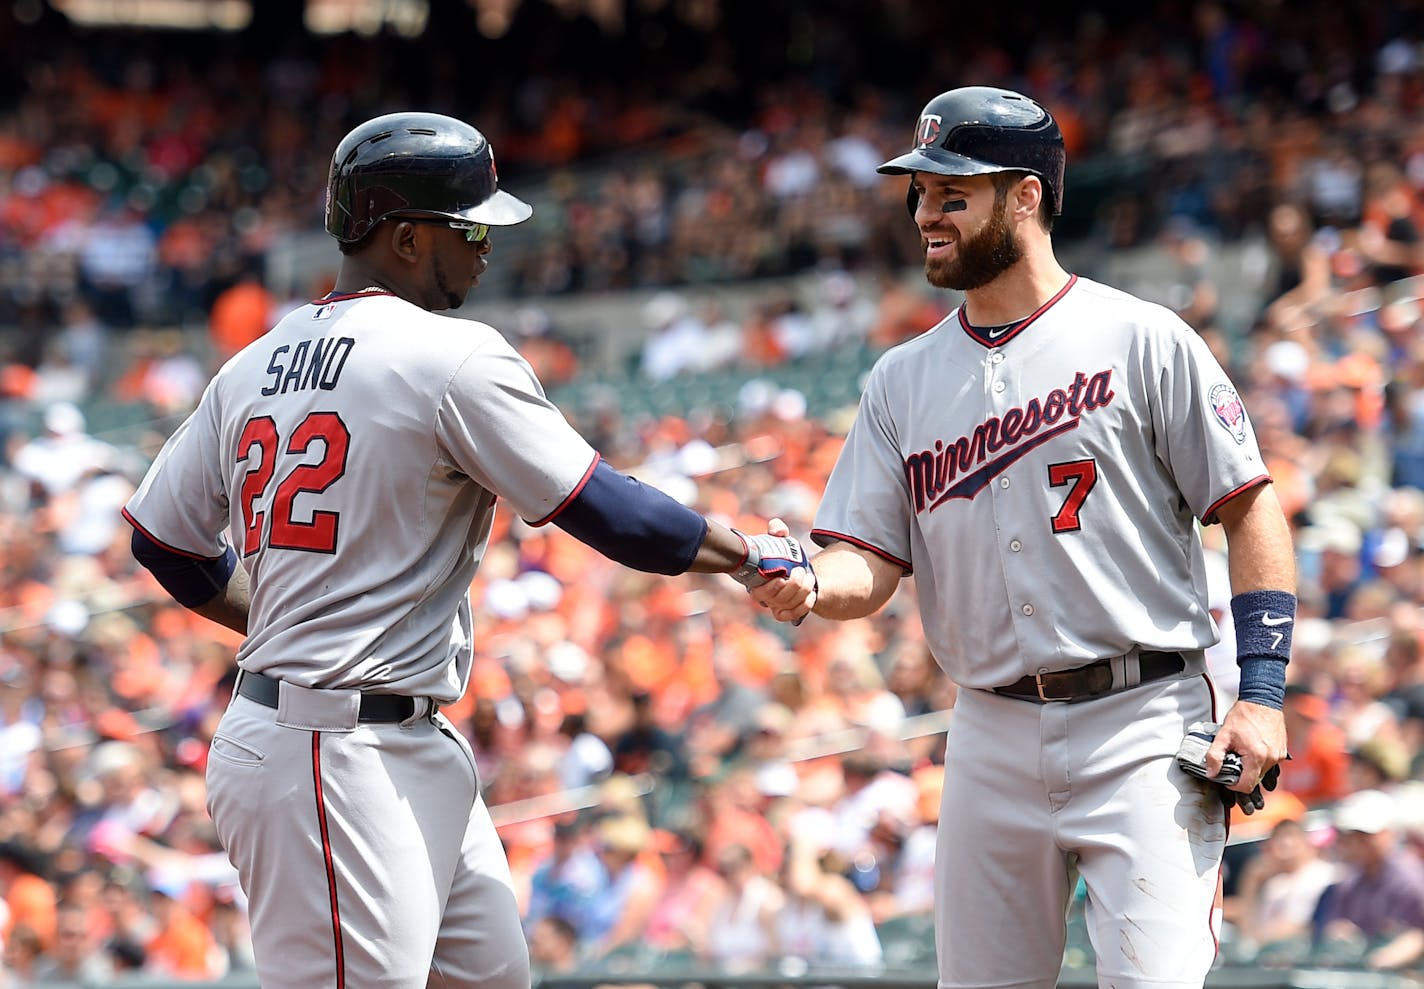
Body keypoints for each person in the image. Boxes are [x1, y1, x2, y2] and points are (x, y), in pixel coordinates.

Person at [120, 111, 811, 989]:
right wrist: (749, 552)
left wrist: (274, 613)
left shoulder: (252, 363)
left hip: (392, 740)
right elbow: (608, 513)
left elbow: (166, 543)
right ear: (406, 237)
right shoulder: (449, 355)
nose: (487, 248)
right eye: (470, 228)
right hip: (330, 755)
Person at [750, 86, 1297, 989]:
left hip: (1144, 718)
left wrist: (1265, 693)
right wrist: (811, 582)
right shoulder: (901, 380)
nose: (925, 212)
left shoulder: (1140, 337)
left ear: (1026, 196)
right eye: (919, 192)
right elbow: (868, 563)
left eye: (951, 194)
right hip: (989, 731)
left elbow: (1250, 508)